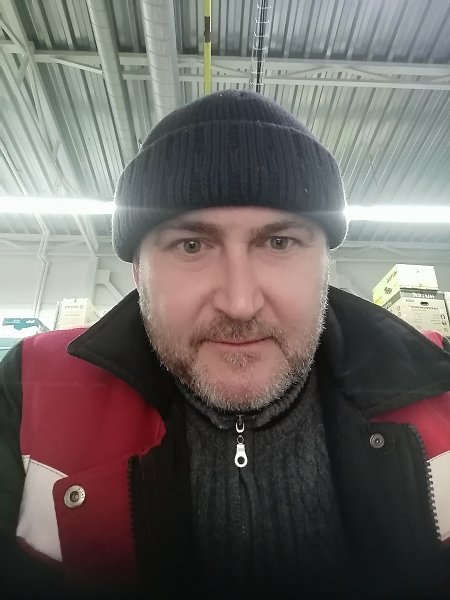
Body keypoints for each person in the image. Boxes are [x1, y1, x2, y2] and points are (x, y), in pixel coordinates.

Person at [1, 89, 450, 599]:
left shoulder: (439, 394)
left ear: (325, 263)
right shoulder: (29, 393)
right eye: (192, 245)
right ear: (138, 272)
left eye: (279, 242)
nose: (240, 302)